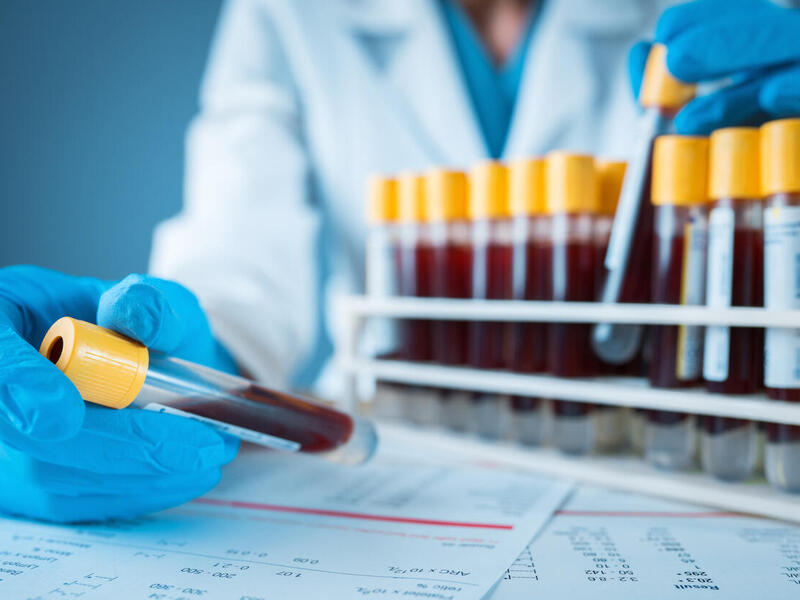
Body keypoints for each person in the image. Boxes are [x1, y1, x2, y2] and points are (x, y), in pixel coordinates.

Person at [1, 0, 799, 523]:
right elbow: (238, 264)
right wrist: (186, 358)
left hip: (679, 468)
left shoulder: (737, 17)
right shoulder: (287, 14)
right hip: (405, 447)